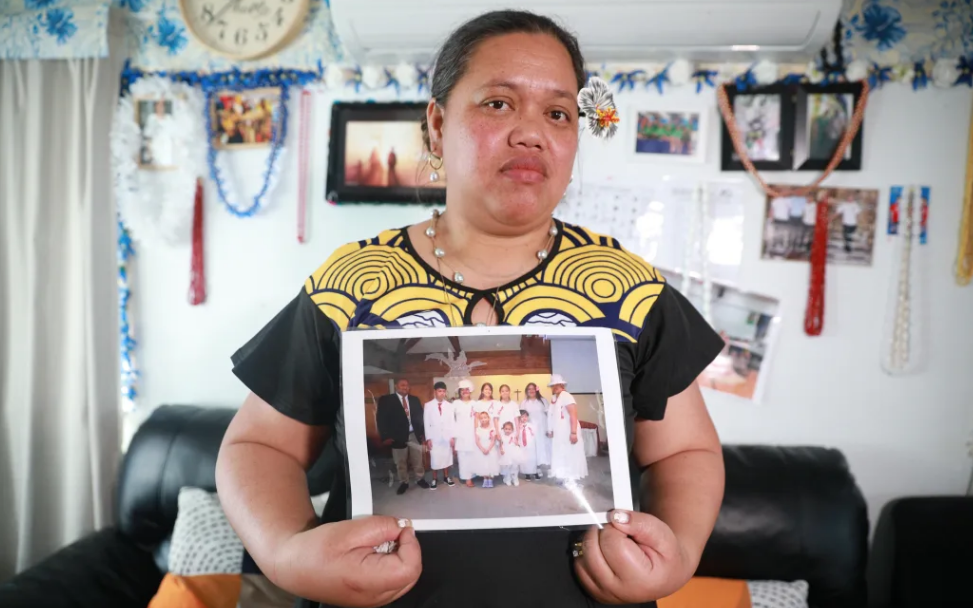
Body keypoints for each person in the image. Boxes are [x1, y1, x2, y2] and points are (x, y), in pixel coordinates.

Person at [217, 10, 725, 608]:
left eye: (558, 113)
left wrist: (678, 555)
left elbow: (686, 452)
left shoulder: (625, 286)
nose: (531, 132)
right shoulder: (353, 283)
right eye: (498, 104)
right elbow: (259, 447)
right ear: (437, 126)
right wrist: (285, 552)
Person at [376, 379, 429, 495]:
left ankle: (420, 479)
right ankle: (404, 482)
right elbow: (381, 419)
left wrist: (423, 434)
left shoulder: (414, 400)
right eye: (402, 385)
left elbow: (421, 418)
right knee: (400, 462)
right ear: (396, 386)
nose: (405, 387)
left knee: (418, 459)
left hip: (414, 435)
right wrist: (385, 437)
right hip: (397, 437)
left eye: (407, 385)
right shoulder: (387, 400)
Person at [547, 374, 588, 483]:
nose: (555, 387)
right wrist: (550, 429)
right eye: (553, 385)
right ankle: (563, 476)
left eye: (557, 385)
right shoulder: (555, 398)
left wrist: (573, 432)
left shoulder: (566, 396)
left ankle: (571, 478)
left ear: (562, 385)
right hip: (560, 432)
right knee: (562, 453)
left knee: (570, 453)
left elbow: (573, 414)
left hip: (568, 430)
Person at [423, 382, 456, 490]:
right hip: (434, 437)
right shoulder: (428, 405)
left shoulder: (450, 406)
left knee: (446, 457)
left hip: (446, 436)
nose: (442, 393)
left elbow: (452, 422)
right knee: (435, 458)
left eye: (443, 391)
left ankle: (446, 477)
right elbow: (426, 423)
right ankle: (434, 478)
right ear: (435, 392)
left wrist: (452, 437)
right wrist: (428, 438)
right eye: (439, 391)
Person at [521, 382, 552, 477]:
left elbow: (549, 416)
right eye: (529, 389)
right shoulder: (524, 402)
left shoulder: (543, 401)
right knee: (533, 449)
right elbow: (521, 417)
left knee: (543, 448)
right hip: (530, 431)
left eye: (533, 389)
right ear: (526, 391)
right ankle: (534, 468)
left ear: (536, 390)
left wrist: (549, 429)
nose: (531, 391)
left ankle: (544, 468)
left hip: (542, 429)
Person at [452, 379, 478, 488]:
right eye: (462, 390)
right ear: (459, 392)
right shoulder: (455, 403)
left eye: (467, 389)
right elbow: (451, 420)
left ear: (470, 391)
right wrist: (453, 436)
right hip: (460, 434)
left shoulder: (475, 403)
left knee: (473, 456)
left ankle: (473, 475)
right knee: (463, 457)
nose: (465, 391)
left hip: (473, 433)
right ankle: (467, 478)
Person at [472, 411, 501, 488]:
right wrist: (482, 449)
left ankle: (490, 479)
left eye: (485, 417)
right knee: (483, 464)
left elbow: (493, 440)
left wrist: (488, 449)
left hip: (490, 449)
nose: (483, 419)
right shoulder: (478, 429)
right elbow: (477, 440)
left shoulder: (492, 429)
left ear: (488, 418)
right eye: (481, 418)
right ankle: (485, 479)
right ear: (479, 420)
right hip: (481, 449)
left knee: (490, 464)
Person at [498, 421, 522, 486]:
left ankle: (515, 478)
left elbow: (517, 444)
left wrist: (516, 443)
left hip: (513, 453)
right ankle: (507, 478)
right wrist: (501, 449)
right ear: (503, 429)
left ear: (512, 430)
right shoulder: (502, 437)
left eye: (509, 429)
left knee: (514, 466)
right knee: (507, 466)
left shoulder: (513, 436)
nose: (507, 431)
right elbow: (501, 444)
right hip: (506, 453)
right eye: (506, 429)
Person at [518, 410, 539, 480]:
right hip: (522, 445)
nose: (524, 418)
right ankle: (527, 473)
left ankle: (534, 472)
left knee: (532, 458)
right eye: (522, 417)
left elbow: (535, 434)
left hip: (530, 444)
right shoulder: (518, 427)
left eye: (526, 416)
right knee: (524, 459)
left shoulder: (531, 425)